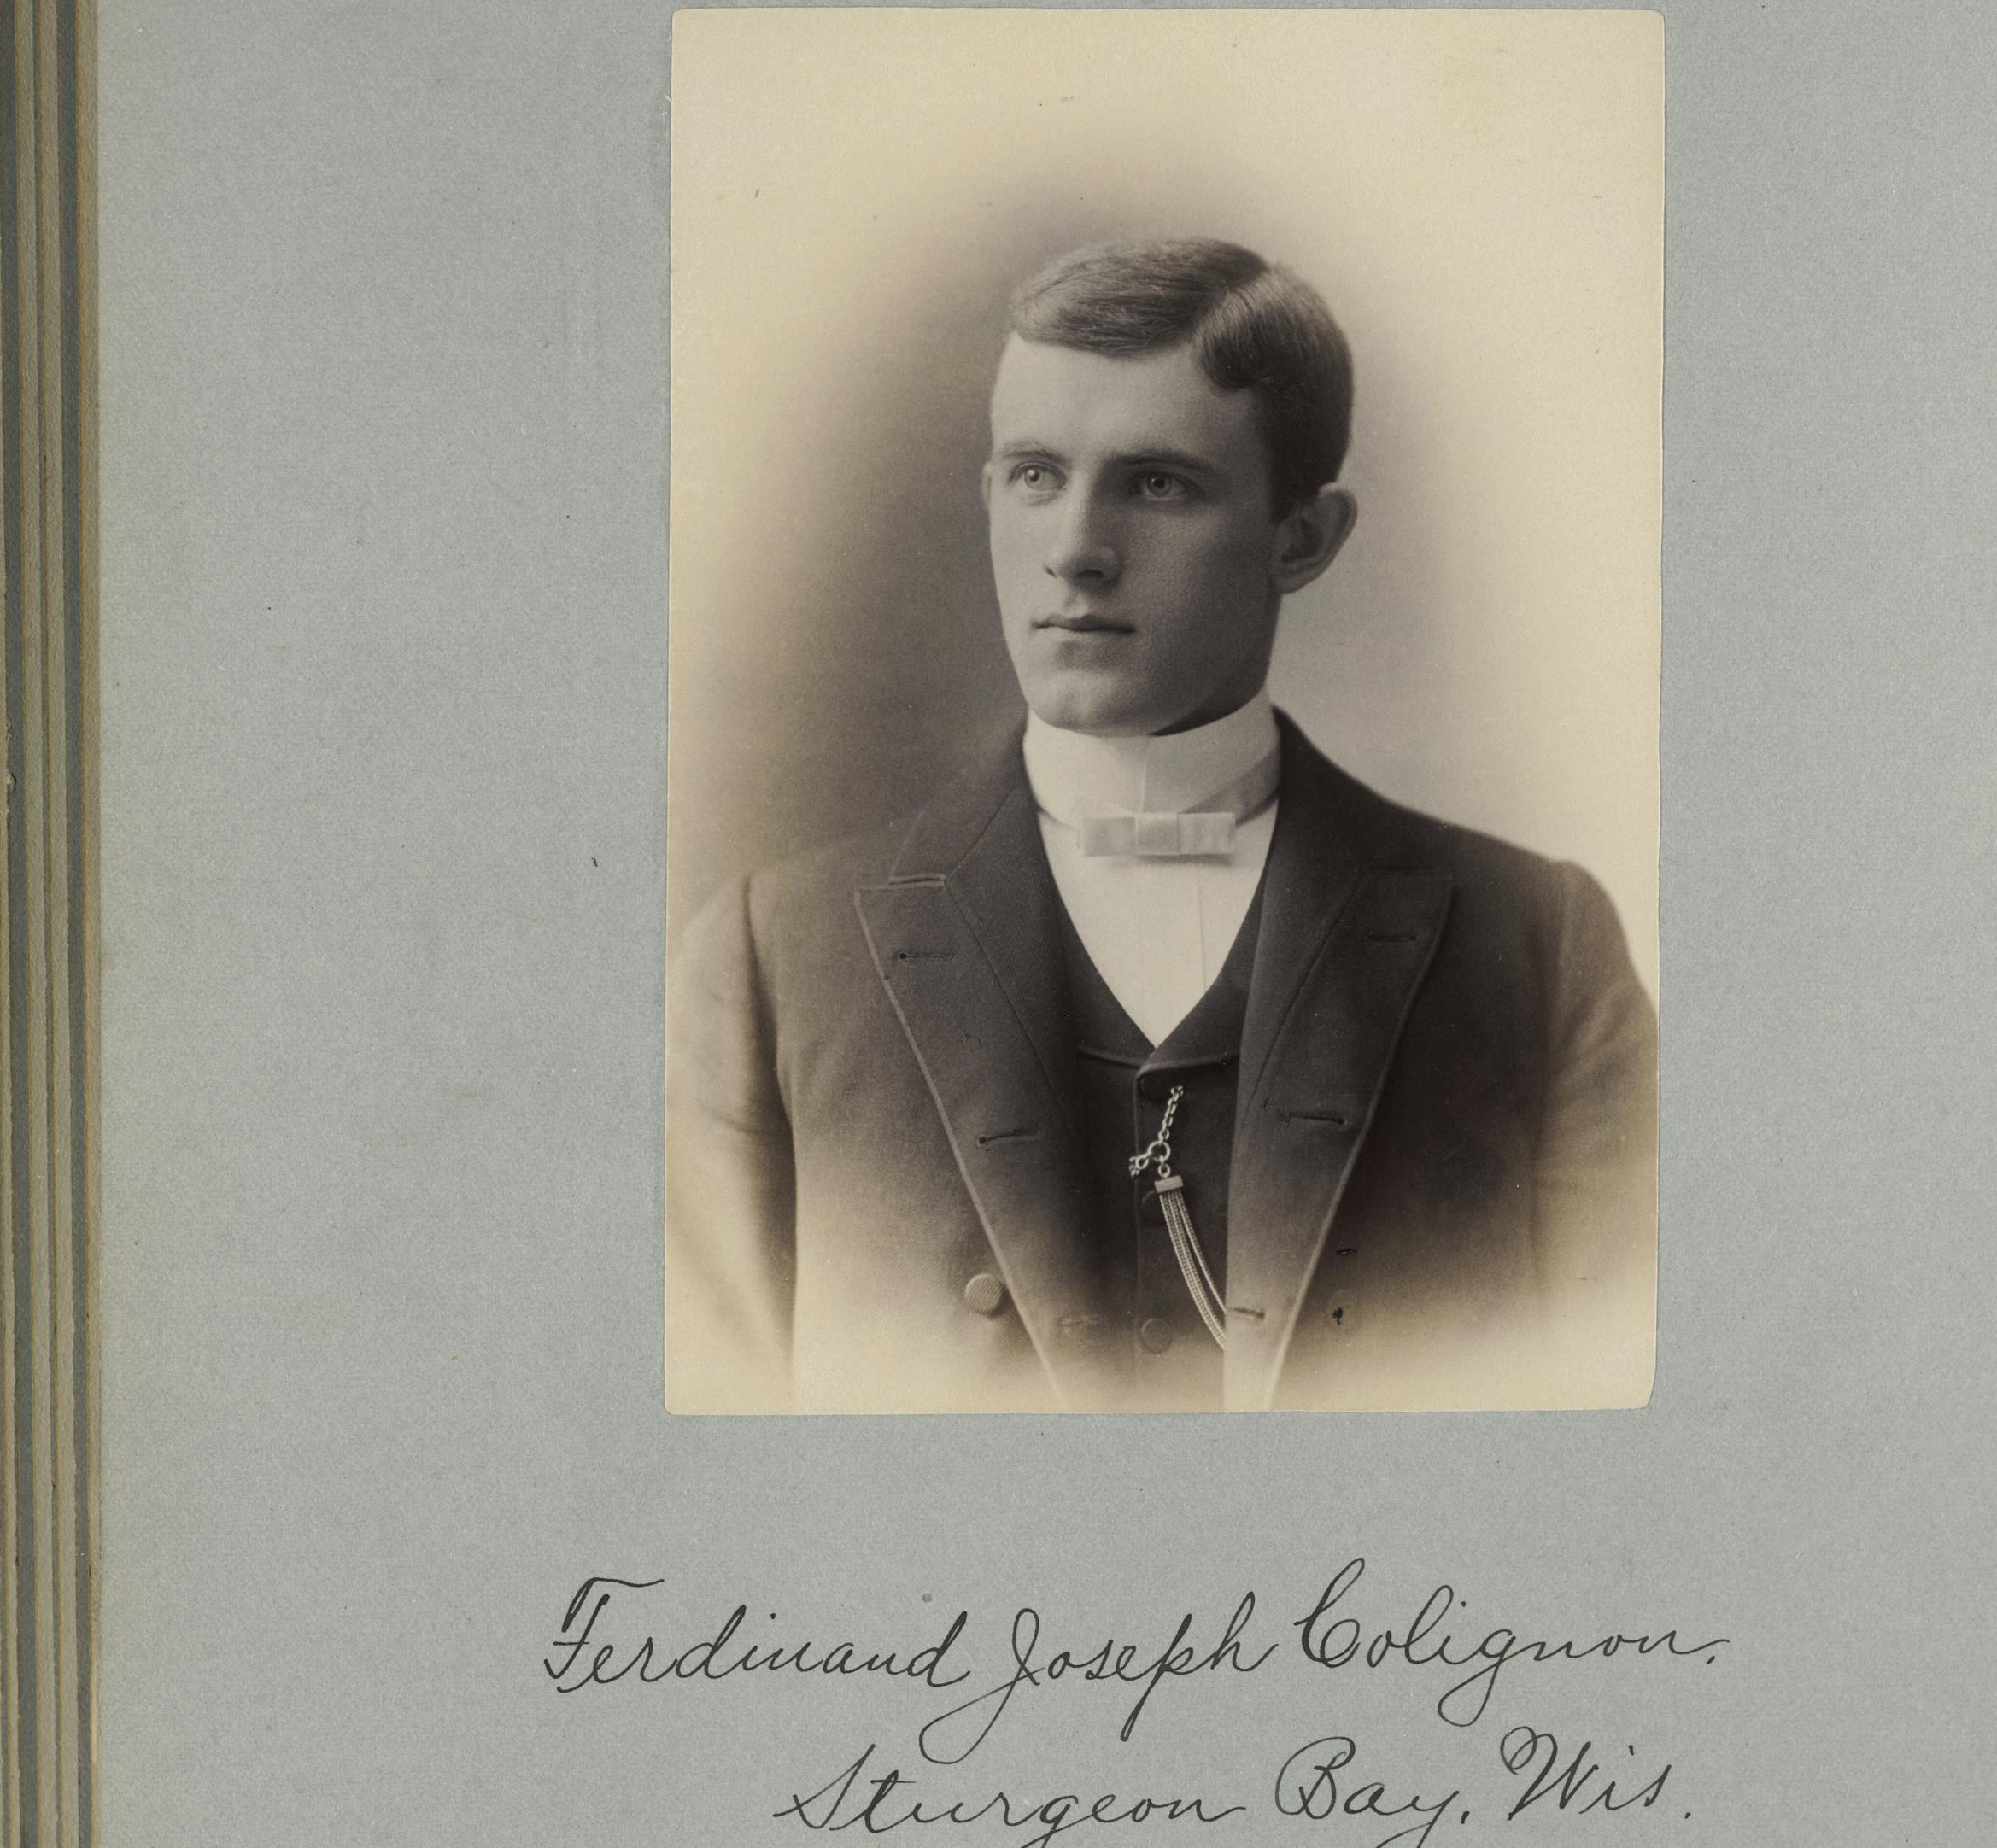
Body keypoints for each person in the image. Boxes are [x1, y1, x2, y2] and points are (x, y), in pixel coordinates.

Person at [667, 237, 1656, 1415]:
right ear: (990, 496)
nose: (1075, 552)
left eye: (1156, 485)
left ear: (1302, 539)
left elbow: (1611, 1425)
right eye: (1036, 475)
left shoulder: (1539, 950)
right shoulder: (770, 961)